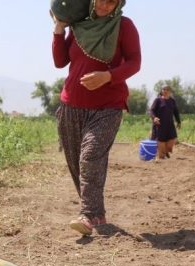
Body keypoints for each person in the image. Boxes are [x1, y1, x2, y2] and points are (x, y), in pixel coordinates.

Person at [51, 0, 141, 236]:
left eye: (111, 0)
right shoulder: (80, 25)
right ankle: (96, 213)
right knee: (76, 163)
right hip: (71, 105)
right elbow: (60, 62)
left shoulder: (124, 26)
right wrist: (59, 28)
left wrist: (108, 76)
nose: (104, 4)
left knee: (90, 157)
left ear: (119, 3)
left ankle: (87, 215)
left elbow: (135, 62)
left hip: (107, 106)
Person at [150, 85, 181, 160]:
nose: (166, 91)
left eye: (167, 89)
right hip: (160, 124)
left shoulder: (172, 101)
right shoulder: (158, 100)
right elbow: (152, 110)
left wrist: (178, 121)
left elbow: (176, 112)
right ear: (162, 91)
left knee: (172, 138)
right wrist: (154, 118)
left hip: (170, 124)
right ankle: (161, 156)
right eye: (164, 89)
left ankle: (166, 151)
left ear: (170, 91)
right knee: (161, 140)